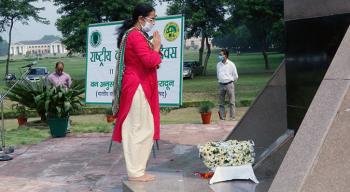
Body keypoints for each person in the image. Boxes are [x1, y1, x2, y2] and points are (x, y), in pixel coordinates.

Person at [111, 3, 162, 182]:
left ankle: (138, 170)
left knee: (144, 128)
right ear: (141, 19)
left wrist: (155, 50)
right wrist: (156, 47)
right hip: (137, 87)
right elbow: (149, 61)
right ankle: (135, 172)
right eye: (152, 18)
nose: (154, 22)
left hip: (140, 85)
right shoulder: (135, 36)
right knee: (137, 129)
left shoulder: (136, 35)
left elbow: (149, 61)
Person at [47, 61, 72, 132]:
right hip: (54, 98)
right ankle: (55, 128)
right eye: (58, 69)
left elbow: (70, 87)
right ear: (55, 68)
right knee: (53, 113)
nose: (60, 71)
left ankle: (67, 128)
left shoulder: (67, 76)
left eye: (62, 69)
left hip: (64, 98)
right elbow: (48, 88)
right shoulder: (50, 77)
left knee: (66, 112)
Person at [217, 49, 238, 120]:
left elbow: (235, 76)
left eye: (221, 54)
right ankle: (222, 118)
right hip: (221, 85)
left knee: (232, 102)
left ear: (225, 55)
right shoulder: (218, 64)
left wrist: (230, 81)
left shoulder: (231, 64)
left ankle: (232, 117)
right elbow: (218, 74)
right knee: (221, 102)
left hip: (229, 84)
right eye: (219, 54)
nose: (219, 56)